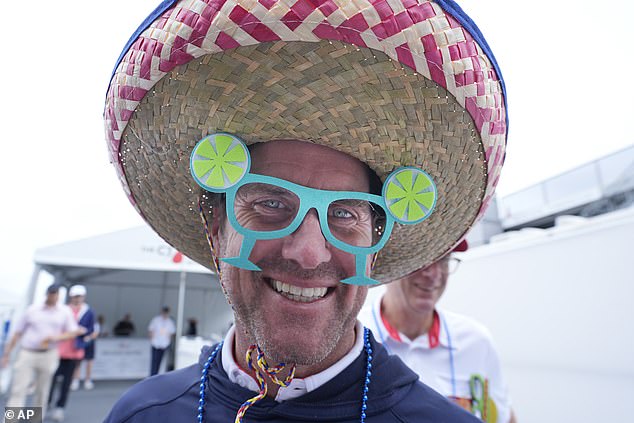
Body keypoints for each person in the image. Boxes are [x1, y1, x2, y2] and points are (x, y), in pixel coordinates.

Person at [102, 0, 508, 421]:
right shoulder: (142, 414)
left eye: (346, 214)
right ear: (215, 226)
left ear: (374, 244)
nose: (309, 252)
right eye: (271, 203)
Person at [359, 241, 517, 423]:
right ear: (391, 262)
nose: (433, 274)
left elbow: (504, 418)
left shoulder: (475, 341)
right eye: (422, 258)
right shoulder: (354, 338)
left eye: (444, 259)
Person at [0, 285, 82, 417]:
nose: (54, 297)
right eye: (52, 294)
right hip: (28, 352)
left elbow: (73, 332)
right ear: (47, 294)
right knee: (18, 388)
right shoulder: (33, 309)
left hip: (49, 354)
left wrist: (55, 337)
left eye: (56, 295)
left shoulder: (64, 311)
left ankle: (36, 419)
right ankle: (11, 419)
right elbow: (18, 332)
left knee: (42, 390)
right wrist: (6, 354)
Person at [48, 284, 95, 421]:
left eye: (79, 296)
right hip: (58, 350)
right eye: (75, 296)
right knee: (50, 380)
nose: (77, 299)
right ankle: (46, 404)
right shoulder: (63, 309)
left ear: (83, 296)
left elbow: (90, 330)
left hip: (75, 351)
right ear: (71, 296)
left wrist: (83, 333)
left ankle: (59, 408)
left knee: (66, 382)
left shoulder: (88, 311)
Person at [71, 310, 101, 391]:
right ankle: (75, 380)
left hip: (90, 344)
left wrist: (89, 337)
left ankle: (87, 380)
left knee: (89, 363)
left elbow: (96, 333)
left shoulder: (95, 324)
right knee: (78, 362)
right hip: (81, 343)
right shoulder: (82, 322)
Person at [148, 306, 176, 376]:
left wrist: (168, 340)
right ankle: (152, 375)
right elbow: (151, 330)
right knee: (154, 360)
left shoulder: (170, 322)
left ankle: (157, 375)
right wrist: (152, 339)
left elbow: (172, 332)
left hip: (164, 344)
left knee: (160, 361)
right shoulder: (156, 320)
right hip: (155, 343)